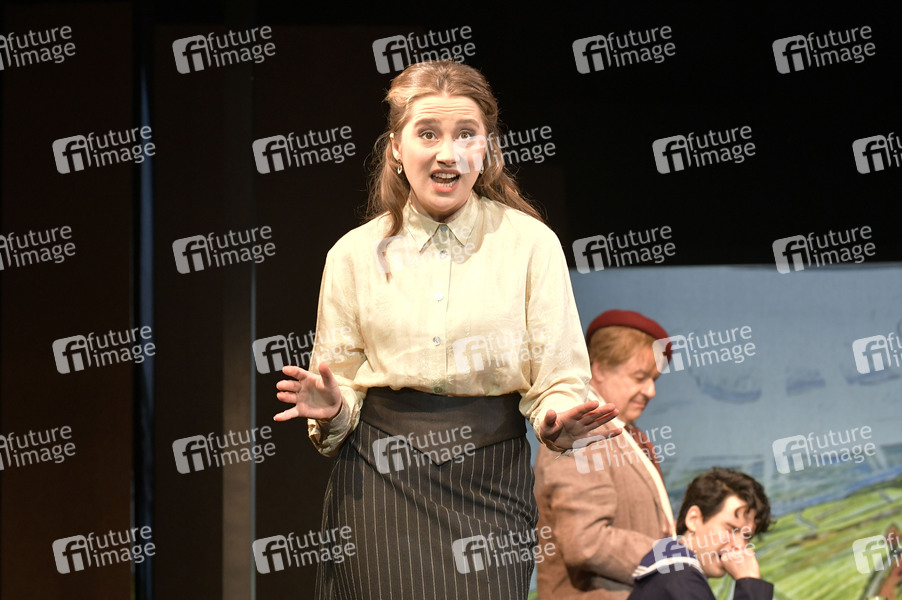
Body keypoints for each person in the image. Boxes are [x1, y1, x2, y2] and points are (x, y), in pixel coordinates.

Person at [272, 60, 619, 600]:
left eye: (466, 135)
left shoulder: (531, 245)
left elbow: (558, 377)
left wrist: (557, 421)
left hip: (490, 481)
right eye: (428, 133)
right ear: (396, 147)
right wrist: (333, 410)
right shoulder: (353, 255)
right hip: (379, 479)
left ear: (488, 148)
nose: (447, 154)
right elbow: (342, 391)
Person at [534, 309, 676, 599]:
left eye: (654, 380)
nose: (651, 391)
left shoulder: (628, 436)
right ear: (598, 369)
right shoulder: (580, 432)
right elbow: (587, 541)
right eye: (640, 377)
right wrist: (675, 559)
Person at [629, 467, 774, 600]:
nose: (739, 545)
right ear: (694, 519)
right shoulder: (681, 580)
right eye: (731, 529)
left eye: (747, 536)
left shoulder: (669, 573)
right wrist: (750, 582)